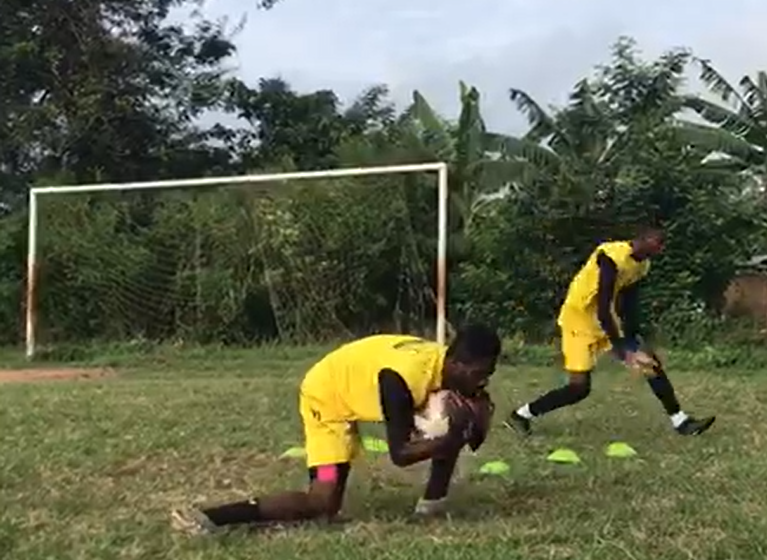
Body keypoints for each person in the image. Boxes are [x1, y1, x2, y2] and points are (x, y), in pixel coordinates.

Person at [170, 324, 502, 534]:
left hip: (359, 380)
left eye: (489, 373)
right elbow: (400, 453)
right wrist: (455, 435)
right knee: (323, 501)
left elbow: (467, 435)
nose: (483, 381)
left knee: (453, 422)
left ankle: (430, 508)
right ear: (456, 364)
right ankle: (212, 518)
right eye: (479, 373)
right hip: (327, 398)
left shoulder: (449, 370)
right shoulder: (400, 378)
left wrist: (470, 425)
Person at [507, 226, 715, 436]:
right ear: (641, 240)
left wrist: (633, 337)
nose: (656, 251)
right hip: (578, 320)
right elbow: (604, 306)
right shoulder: (610, 255)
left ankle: (681, 422)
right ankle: (521, 415)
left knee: (650, 363)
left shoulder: (642, 265)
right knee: (579, 389)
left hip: (605, 319)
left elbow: (629, 302)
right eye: (653, 245)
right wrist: (622, 349)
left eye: (659, 248)